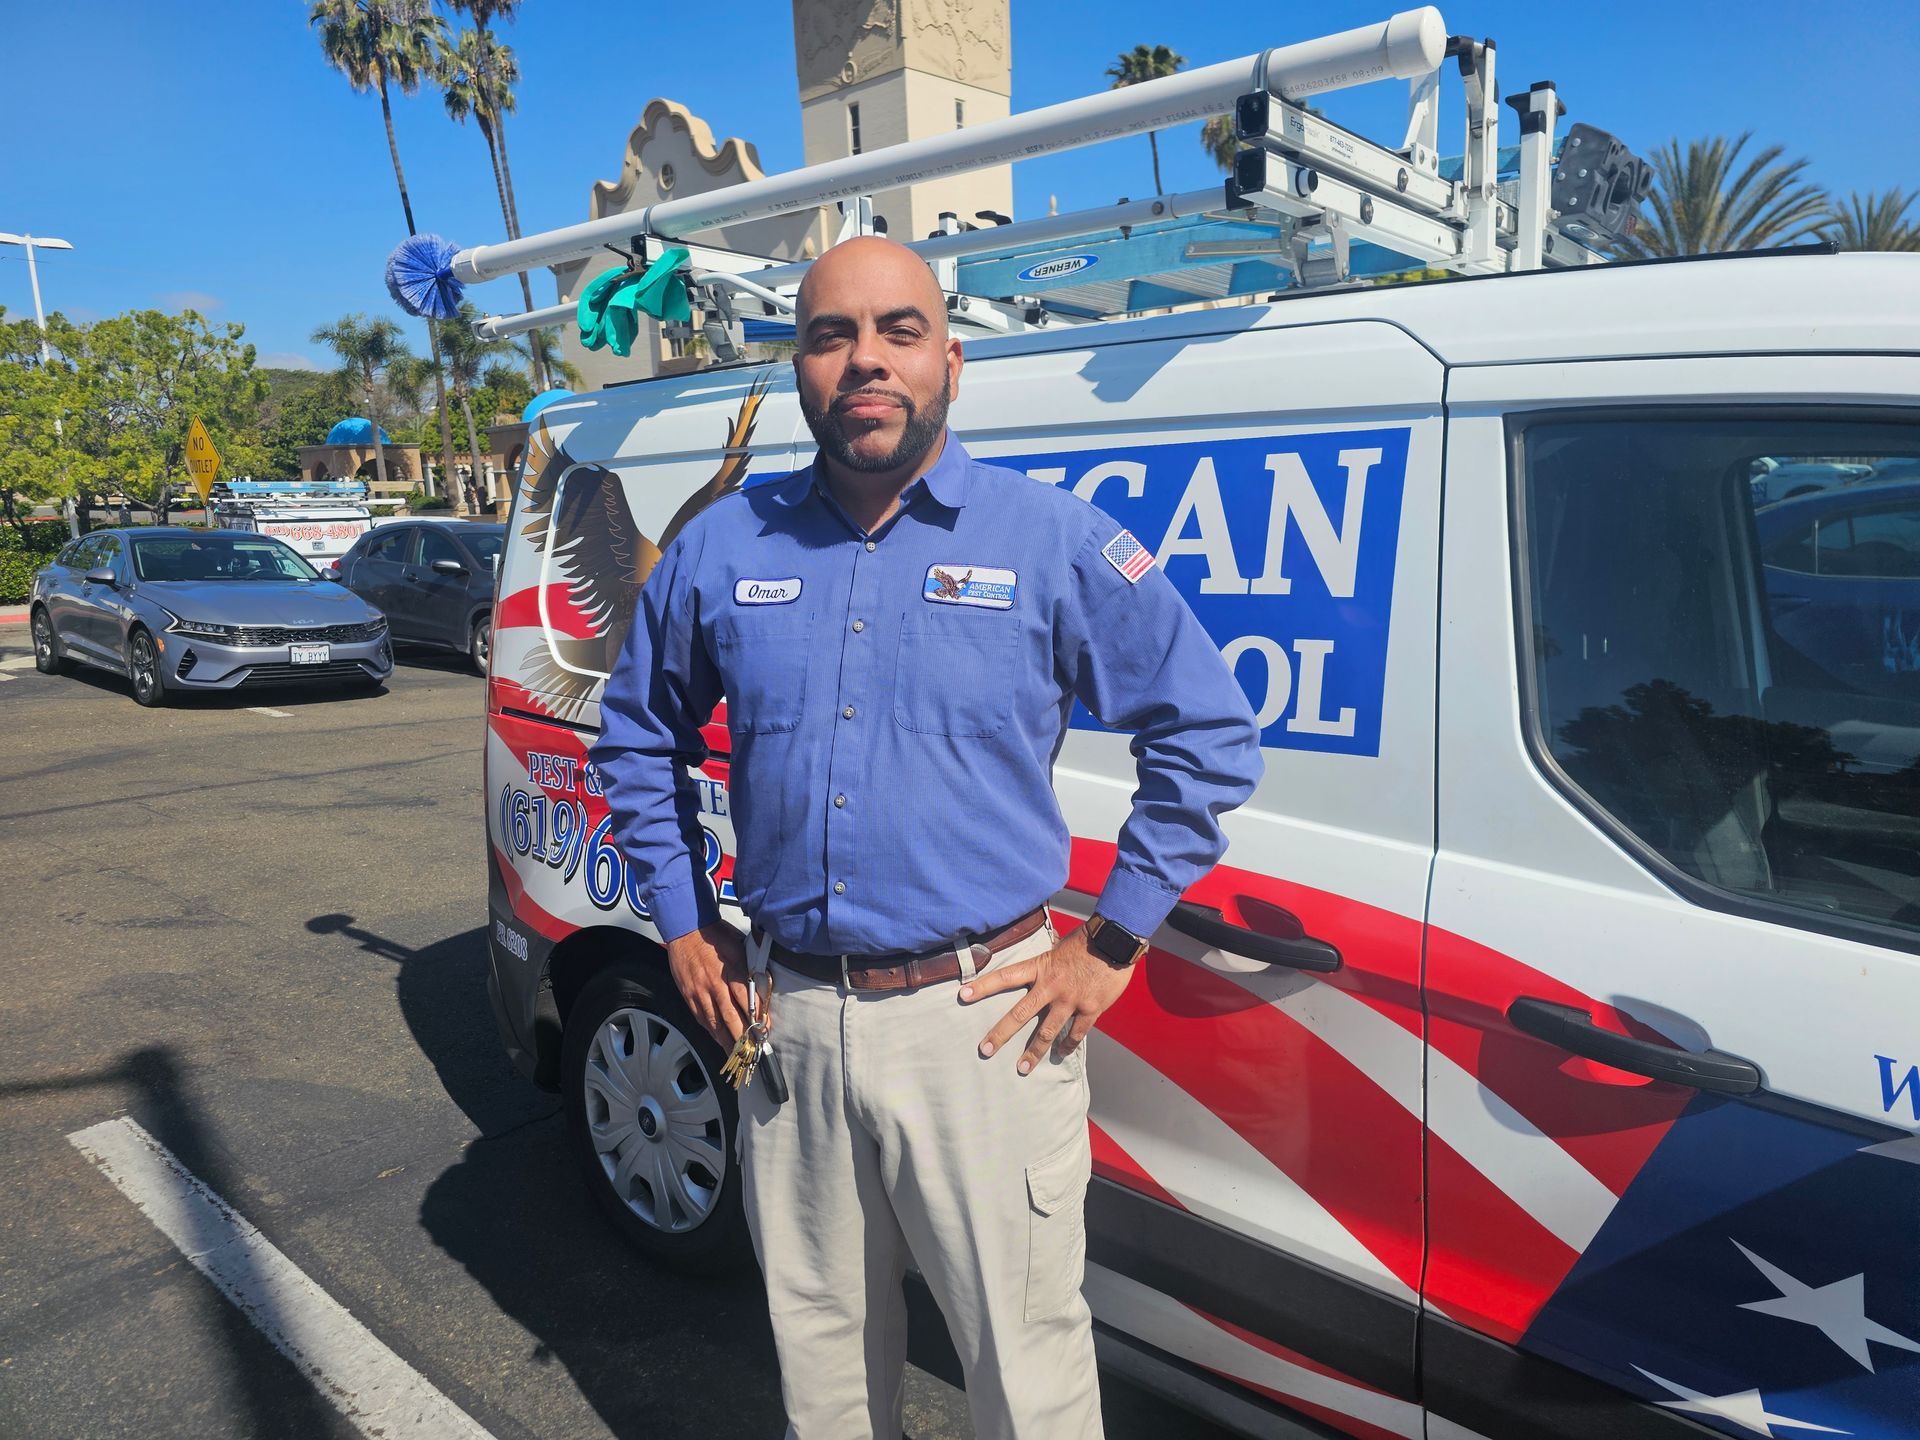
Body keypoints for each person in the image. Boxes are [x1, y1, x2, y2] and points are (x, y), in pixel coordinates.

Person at [591, 235, 1263, 1440]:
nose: (866, 361)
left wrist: (1110, 945)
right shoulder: (721, 548)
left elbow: (1208, 736)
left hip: (984, 1030)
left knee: (1026, 1375)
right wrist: (684, 925)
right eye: (831, 334)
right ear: (799, 363)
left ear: (952, 358)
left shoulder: (1050, 541)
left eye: (898, 331)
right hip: (787, 1021)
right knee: (827, 1368)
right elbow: (636, 734)